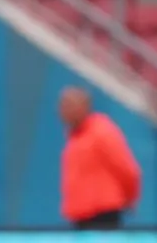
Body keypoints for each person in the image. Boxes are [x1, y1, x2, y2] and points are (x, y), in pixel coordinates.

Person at [58, 87, 141, 230]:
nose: (64, 111)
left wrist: (130, 197)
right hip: (81, 216)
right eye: (62, 106)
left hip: (102, 216)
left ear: (84, 106)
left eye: (69, 105)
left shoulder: (101, 132)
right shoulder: (75, 137)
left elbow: (127, 169)